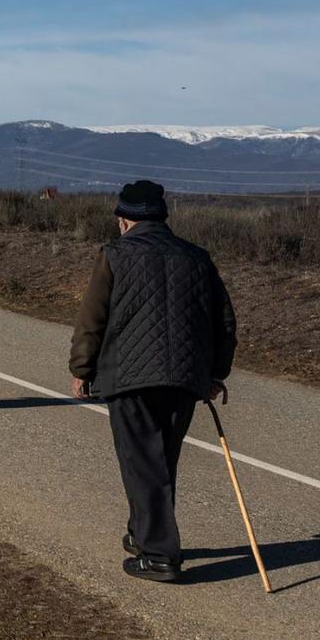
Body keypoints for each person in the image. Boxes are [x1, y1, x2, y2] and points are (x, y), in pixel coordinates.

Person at [69, 180, 237, 583]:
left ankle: (160, 554)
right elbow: (224, 322)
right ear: (162, 218)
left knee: (141, 461)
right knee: (160, 459)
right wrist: (215, 373)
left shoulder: (114, 255)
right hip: (183, 378)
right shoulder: (196, 257)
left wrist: (81, 369)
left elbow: (93, 318)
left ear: (124, 221)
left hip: (130, 377)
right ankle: (142, 532)